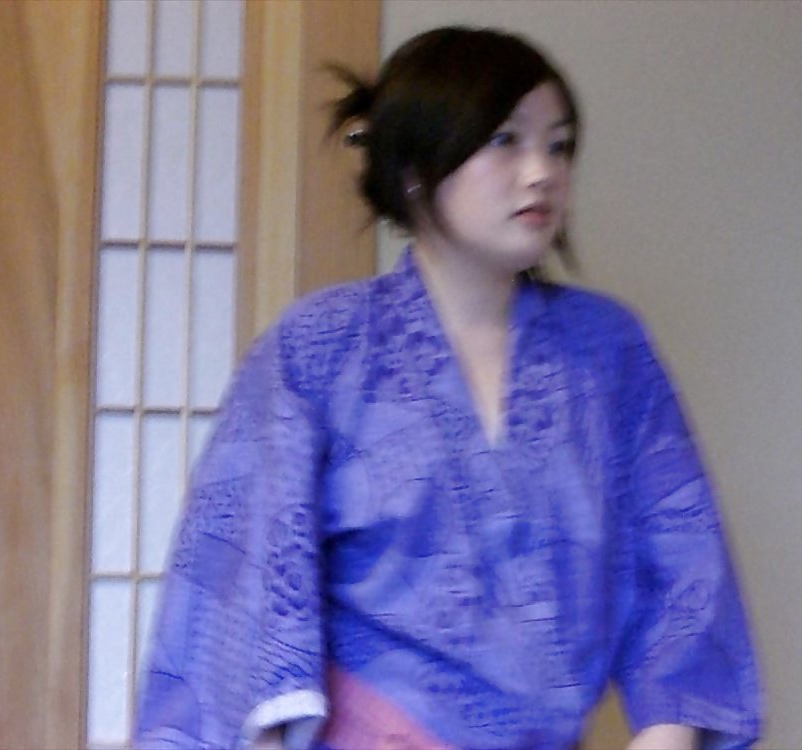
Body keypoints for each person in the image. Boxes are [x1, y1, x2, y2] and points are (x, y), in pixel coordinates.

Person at [134, 26, 763, 750]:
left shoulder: (609, 352)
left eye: (559, 145)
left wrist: (665, 738)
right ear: (415, 167)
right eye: (505, 141)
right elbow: (240, 589)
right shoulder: (318, 348)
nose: (542, 172)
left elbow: (684, 574)